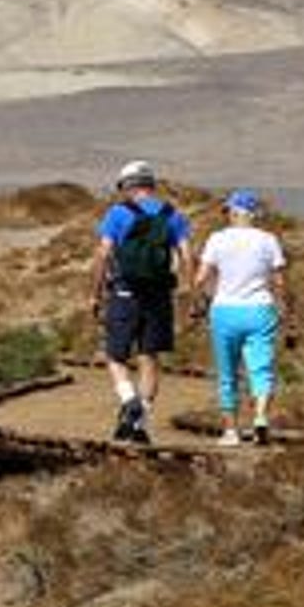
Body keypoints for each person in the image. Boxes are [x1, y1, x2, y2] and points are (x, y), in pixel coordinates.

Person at [92, 159, 188, 443]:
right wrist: (193, 292)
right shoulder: (173, 215)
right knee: (149, 357)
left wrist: (94, 294)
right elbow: (187, 255)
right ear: (151, 184)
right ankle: (140, 423)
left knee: (115, 355)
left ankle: (129, 399)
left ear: (126, 186)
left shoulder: (118, 213)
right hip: (159, 295)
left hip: (124, 292)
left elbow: (103, 254)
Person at [193, 189, 288, 445]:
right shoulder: (269, 240)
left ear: (234, 213)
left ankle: (231, 432)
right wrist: (283, 309)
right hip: (260, 309)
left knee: (227, 374)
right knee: (261, 370)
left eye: (228, 212)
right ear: (254, 214)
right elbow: (279, 281)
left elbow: (200, 278)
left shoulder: (217, 239)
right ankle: (259, 417)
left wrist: (205, 298)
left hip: (225, 310)